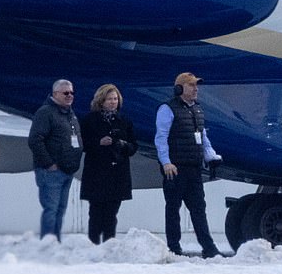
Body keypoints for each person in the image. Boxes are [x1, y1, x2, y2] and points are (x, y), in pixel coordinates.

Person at [154, 72, 223, 258]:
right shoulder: (167, 109)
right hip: (175, 167)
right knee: (173, 208)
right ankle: (174, 247)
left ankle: (208, 247)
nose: (196, 89)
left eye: (196, 85)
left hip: (194, 167)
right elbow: (161, 138)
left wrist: (210, 155)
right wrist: (166, 162)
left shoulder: (198, 109)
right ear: (179, 88)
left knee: (199, 208)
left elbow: (203, 137)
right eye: (191, 85)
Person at [80, 84, 138, 244]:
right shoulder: (89, 120)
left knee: (112, 213)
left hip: (117, 173)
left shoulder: (124, 121)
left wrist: (122, 145)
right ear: (101, 101)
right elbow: (82, 144)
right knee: (96, 212)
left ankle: (109, 244)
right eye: (109, 99)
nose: (113, 102)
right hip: (97, 173)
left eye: (115, 99)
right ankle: (93, 243)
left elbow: (133, 146)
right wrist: (98, 142)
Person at [28, 79, 83, 242]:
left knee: (60, 209)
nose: (70, 96)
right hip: (51, 171)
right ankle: (47, 245)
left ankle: (55, 243)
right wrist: (49, 164)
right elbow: (35, 140)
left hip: (67, 171)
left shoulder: (70, 114)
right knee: (51, 210)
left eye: (72, 92)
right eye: (66, 93)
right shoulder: (46, 112)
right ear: (55, 94)